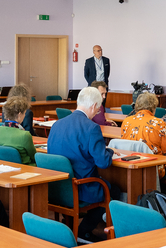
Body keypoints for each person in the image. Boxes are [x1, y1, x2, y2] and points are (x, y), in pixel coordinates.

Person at [47, 86, 115, 240]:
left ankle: (74, 228)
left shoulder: (57, 124)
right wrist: (109, 151)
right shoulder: (91, 128)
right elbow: (103, 162)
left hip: (57, 186)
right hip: (81, 187)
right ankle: (83, 230)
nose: (97, 112)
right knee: (112, 190)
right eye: (98, 109)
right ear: (93, 106)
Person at [121, 91, 166, 156]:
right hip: (152, 162)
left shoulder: (126, 121)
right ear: (153, 107)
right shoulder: (159, 123)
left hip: (130, 160)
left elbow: (123, 144)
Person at [0, 97, 37, 165]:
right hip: (25, 169)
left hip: (1, 167)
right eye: (24, 113)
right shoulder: (25, 135)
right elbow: (34, 157)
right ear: (19, 115)